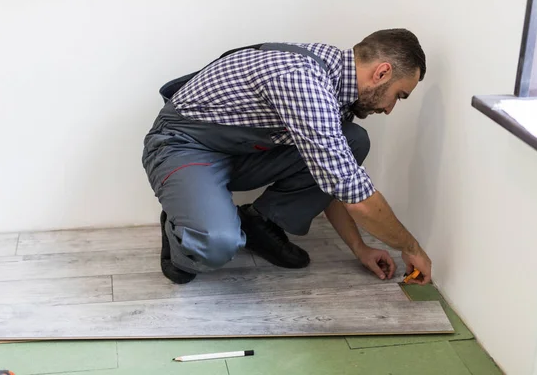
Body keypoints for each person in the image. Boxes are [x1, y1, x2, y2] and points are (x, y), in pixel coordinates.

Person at [142, 29, 432, 285]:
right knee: (217, 244)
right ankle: (182, 230)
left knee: (353, 140)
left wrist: (360, 249)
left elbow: (334, 182)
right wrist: (411, 247)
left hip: (240, 152)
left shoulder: (337, 84)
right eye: (399, 95)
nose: (391, 108)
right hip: (184, 145)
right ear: (381, 73)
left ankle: (260, 224)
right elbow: (357, 198)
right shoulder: (304, 82)